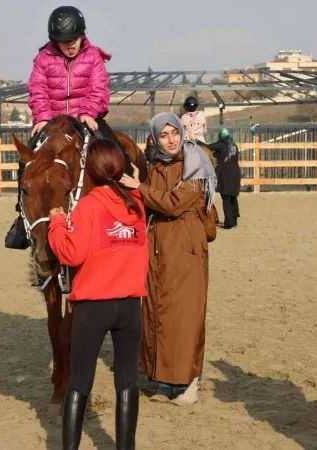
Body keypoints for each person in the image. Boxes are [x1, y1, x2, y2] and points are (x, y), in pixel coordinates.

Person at [48, 139, 148, 450]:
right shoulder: (137, 205)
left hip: (94, 305)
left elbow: (71, 253)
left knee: (79, 381)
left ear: (90, 170)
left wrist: (56, 223)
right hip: (130, 306)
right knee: (128, 382)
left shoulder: (89, 205)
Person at [5, 5, 130, 250]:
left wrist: (89, 112)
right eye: (64, 41)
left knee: (114, 148)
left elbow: (99, 88)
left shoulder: (93, 56)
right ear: (55, 41)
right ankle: (21, 216)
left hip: (86, 116)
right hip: (52, 121)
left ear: (81, 35)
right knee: (26, 160)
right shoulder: (43, 58)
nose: (69, 45)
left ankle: (130, 200)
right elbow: (38, 89)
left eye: (73, 39)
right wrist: (42, 117)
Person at [120, 112, 216, 405]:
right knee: (157, 312)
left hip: (185, 246)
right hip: (157, 246)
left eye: (174, 132)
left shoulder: (196, 163)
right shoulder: (155, 165)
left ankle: (188, 383)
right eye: (163, 135)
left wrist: (140, 188)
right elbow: (149, 205)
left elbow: (175, 204)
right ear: (155, 138)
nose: (171, 140)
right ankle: (164, 380)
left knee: (184, 315)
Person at [208, 128, 242, 228]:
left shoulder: (221, 144)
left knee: (226, 197)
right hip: (235, 173)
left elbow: (208, 147)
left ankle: (229, 223)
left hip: (226, 174)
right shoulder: (233, 145)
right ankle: (234, 219)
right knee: (233, 197)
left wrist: (196, 141)